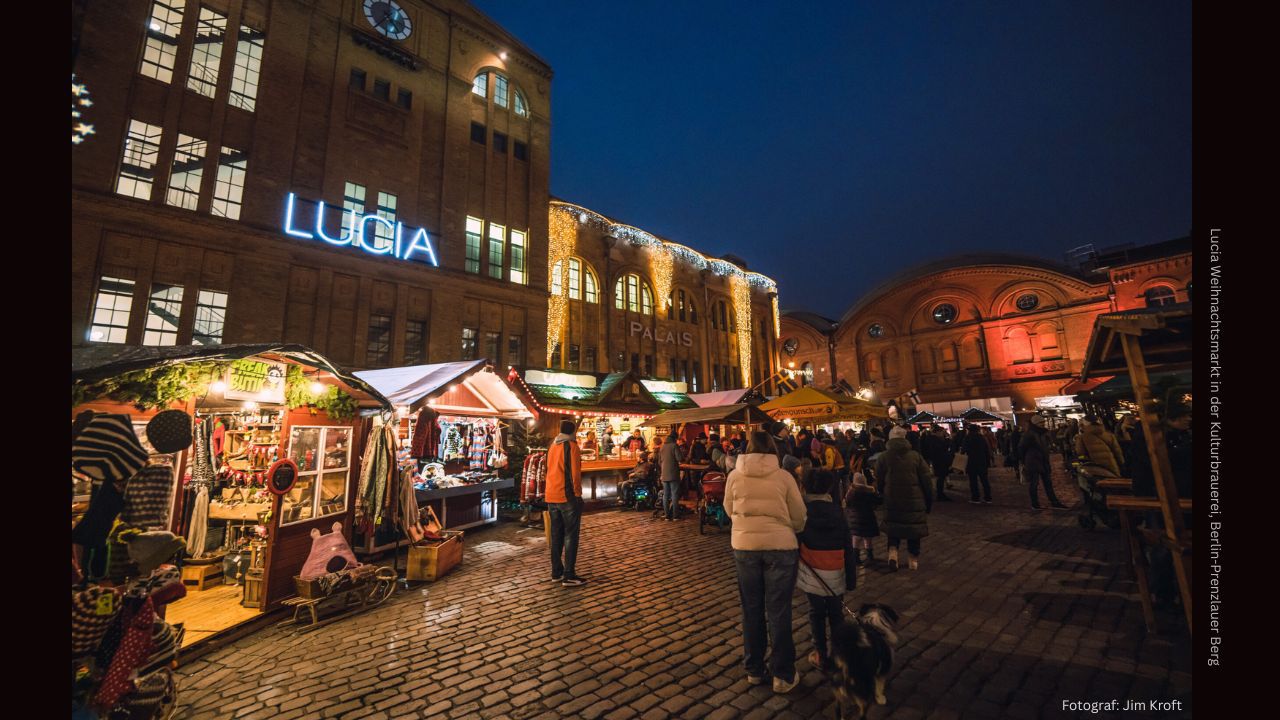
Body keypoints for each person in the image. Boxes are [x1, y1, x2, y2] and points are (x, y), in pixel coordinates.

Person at [723, 431, 807, 693]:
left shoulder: (734, 476)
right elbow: (799, 514)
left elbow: (729, 509)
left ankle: (755, 670)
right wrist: (787, 528)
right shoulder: (784, 477)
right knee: (779, 610)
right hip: (780, 548)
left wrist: (744, 525)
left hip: (745, 547)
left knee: (751, 609)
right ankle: (783, 674)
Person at [797, 469, 857, 674]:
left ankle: (820, 653)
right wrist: (851, 578)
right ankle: (838, 653)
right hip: (835, 570)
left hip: (812, 574)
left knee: (816, 613)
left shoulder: (802, 511)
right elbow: (849, 548)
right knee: (836, 613)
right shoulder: (837, 512)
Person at [875, 426, 933, 570]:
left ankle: (893, 554)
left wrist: (883, 492)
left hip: (892, 498)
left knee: (893, 527)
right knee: (913, 529)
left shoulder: (883, 457)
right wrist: (929, 500)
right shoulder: (915, 456)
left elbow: (879, 479)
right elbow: (926, 480)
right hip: (914, 499)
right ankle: (913, 560)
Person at [545, 419, 587, 586]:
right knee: (571, 535)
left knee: (556, 535)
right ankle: (569, 574)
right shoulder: (572, 446)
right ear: (573, 431)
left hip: (551, 495)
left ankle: (556, 572)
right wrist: (577, 494)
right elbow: (575, 474)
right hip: (567, 496)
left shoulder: (552, 446)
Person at [1020, 416, 1066, 511]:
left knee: (1048, 482)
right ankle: (1035, 504)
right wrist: (1023, 460)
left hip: (1043, 460)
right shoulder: (1029, 434)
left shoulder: (1044, 433)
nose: (1043, 424)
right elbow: (1021, 448)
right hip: (1033, 461)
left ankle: (1054, 502)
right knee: (1034, 483)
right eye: (1041, 423)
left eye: (1043, 422)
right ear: (1035, 424)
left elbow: (1046, 445)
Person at [844, 468, 881, 565]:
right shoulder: (868, 493)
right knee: (867, 539)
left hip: (854, 520)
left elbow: (847, 503)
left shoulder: (851, 493)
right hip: (868, 519)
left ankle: (855, 557)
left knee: (855, 539)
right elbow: (878, 501)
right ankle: (870, 556)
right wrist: (874, 491)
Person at [920, 425, 953, 502]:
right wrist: (948, 440)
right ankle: (940, 494)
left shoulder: (932, 439)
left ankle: (940, 493)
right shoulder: (934, 440)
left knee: (940, 477)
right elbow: (942, 448)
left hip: (937, 460)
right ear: (937, 432)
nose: (943, 433)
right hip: (939, 461)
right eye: (942, 432)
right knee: (940, 477)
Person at [961, 424, 993, 505]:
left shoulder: (967, 438)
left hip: (971, 462)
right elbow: (986, 450)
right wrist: (988, 461)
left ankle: (975, 498)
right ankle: (988, 497)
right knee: (984, 480)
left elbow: (963, 450)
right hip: (982, 461)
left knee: (973, 481)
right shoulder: (982, 438)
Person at [658, 431, 683, 521]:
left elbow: (659, 461)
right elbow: (680, 458)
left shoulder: (662, 447)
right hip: (673, 474)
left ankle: (667, 516)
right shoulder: (674, 446)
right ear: (675, 438)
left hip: (664, 474)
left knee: (666, 495)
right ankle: (676, 516)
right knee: (674, 495)